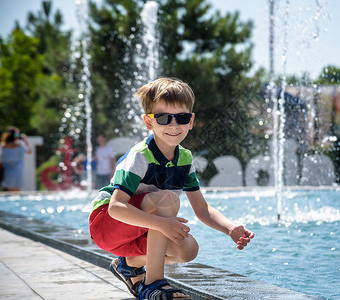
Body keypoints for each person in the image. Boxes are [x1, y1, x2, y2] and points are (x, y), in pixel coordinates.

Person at [89, 77, 254, 299]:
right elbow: (116, 207)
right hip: (107, 224)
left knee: (187, 249)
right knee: (167, 199)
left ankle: (128, 265)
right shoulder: (140, 156)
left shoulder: (184, 158)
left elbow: (202, 209)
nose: (174, 125)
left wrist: (230, 228)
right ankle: (152, 284)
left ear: (191, 120)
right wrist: (161, 224)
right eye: (164, 118)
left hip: (137, 230)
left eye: (182, 118)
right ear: (149, 123)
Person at [0, 127, 32, 191]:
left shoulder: (2, 146)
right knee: (16, 194)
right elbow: (29, 151)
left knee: (9, 193)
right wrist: (25, 140)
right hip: (17, 172)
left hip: (7, 172)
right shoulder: (20, 146)